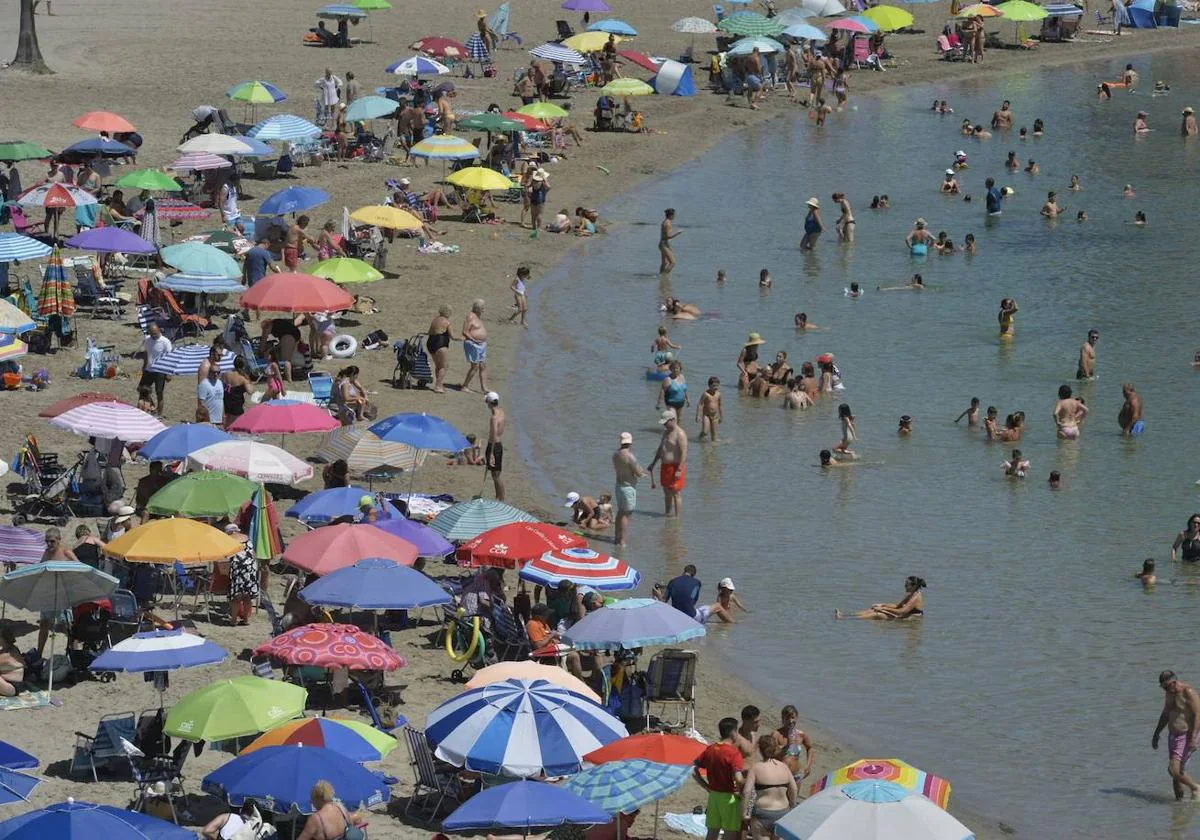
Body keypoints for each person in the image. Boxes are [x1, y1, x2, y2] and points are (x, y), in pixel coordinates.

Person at [694, 718, 746, 840]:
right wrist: (747, 786)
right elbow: (738, 779)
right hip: (730, 798)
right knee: (729, 833)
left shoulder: (711, 749)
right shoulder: (734, 753)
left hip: (713, 796)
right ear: (733, 732)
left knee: (712, 832)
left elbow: (694, 771)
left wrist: (706, 786)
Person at [1152, 671, 1200, 800]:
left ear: (1174, 682)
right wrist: (1156, 734)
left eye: (1166, 686)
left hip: (1187, 736)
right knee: (1177, 775)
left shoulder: (1188, 692)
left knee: (1173, 770)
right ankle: (1179, 808)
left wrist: (1193, 739)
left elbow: (1198, 716)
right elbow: (1166, 714)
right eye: (1163, 687)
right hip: (1173, 735)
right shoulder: (1169, 693)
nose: (1165, 690)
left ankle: (1196, 788)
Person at [741, 734, 796, 840]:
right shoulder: (784, 767)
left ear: (760, 750)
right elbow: (794, 788)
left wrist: (744, 813)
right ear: (775, 749)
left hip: (763, 812)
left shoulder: (756, 768)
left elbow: (746, 792)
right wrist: (792, 806)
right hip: (782, 811)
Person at [526, 603, 585, 678]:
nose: (548, 616)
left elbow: (551, 637)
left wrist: (559, 639)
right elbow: (538, 645)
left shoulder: (543, 623)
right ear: (538, 616)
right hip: (545, 654)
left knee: (573, 647)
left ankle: (575, 678)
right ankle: (580, 681)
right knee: (574, 656)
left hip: (552, 649)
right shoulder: (533, 625)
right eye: (545, 614)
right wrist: (552, 635)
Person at [648, 409, 688, 517]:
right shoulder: (666, 432)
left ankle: (677, 517)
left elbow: (684, 453)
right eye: (664, 423)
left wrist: (679, 469)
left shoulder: (680, 434)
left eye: (666, 423)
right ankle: (667, 514)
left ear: (673, 420)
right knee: (666, 492)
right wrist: (653, 463)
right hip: (665, 466)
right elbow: (661, 449)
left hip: (676, 466)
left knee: (676, 492)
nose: (664, 425)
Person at [836, 575, 926, 620]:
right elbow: (897, 606)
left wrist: (882, 609)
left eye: (907, 585)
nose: (904, 586)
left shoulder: (916, 597)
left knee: (877, 614)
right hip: (903, 614)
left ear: (914, 586)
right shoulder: (911, 594)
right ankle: (845, 615)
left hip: (910, 618)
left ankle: (846, 619)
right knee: (872, 609)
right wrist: (882, 605)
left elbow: (901, 611)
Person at [612, 432, 646, 547]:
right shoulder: (630, 456)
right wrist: (642, 473)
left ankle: (617, 538)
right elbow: (638, 472)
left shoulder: (615, 455)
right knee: (626, 514)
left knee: (620, 512)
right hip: (628, 487)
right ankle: (622, 541)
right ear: (630, 442)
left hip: (619, 486)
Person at [296, 780, 361, 840]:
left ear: (318, 798)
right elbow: (352, 819)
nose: (312, 803)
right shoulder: (340, 807)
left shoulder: (315, 819)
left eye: (312, 800)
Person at [774, 705, 815, 782]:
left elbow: (810, 748)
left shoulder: (801, 735)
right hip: (780, 774)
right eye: (787, 718)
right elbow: (772, 755)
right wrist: (788, 745)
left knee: (794, 794)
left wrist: (808, 765)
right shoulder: (776, 735)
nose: (790, 721)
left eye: (792, 717)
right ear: (783, 719)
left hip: (796, 775)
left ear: (796, 718)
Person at [139, 322, 172, 416]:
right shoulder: (147, 340)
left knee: (159, 393)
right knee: (142, 390)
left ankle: (160, 414)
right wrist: (144, 365)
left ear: (159, 330)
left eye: (155, 333)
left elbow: (169, 357)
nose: (153, 335)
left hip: (160, 371)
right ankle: (151, 407)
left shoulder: (165, 342)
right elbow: (146, 352)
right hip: (149, 369)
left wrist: (168, 373)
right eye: (151, 333)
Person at [461, 299, 489, 393]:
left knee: (482, 366)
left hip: (481, 345)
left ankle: (484, 388)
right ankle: (465, 386)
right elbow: (465, 331)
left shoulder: (478, 316)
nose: (484, 310)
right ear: (477, 308)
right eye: (482, 308)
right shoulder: (470, 316)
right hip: (474, 344)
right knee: (475, 366)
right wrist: (473, 340)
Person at [427, 305, 455, 394]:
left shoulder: (435, 320)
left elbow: (429, 332)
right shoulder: (447, 322)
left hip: (430, 342)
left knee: (438, 366)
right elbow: (453, 336)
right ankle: (438, 386)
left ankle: (439, 384)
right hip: (440, 343)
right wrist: (464, 338)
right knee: (444, 366)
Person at [484, 391, 506, 501]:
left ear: (488, 402)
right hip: (499, 445)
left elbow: (494, 434)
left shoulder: (494, 417)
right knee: (496, 475)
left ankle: (500, 498)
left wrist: (491, 453)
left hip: (494, 446)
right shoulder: (501, 412)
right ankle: (499, 497)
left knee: (495, 476)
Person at [696, 377, 723, 441]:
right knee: (705, 431)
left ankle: (712, 449)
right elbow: (700, 404)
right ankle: (701, 436)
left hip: (715, 416)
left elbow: (720, 405)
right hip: (706, 415)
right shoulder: (706, 394)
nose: (715, 387)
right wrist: (698, 415)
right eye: (713, 386)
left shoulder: (718, 394)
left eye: (717, 386)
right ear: (709, 385)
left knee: (714, 436)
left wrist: (721, 416)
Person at [659, 208, 680, 273]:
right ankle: (664, 276)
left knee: (664, 263)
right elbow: (668, 236)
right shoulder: (667, 223)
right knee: (672, 263)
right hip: (664, 245)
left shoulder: (666, 221)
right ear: (671, 215)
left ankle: (661, 278)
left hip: (663, 244)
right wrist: (678, 232)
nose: (675, 216)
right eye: (674, 215)